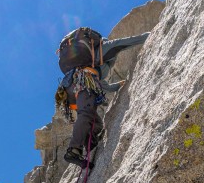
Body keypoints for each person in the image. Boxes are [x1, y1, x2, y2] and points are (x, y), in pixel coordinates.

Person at [62, 32, 150, 167]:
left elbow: (105, 86)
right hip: (82, 83)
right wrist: (149, 35)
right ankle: (73, 151)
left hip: (74, 89)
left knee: (95, 122)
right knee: (86, 113)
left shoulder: (94, 66)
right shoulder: (103, 48)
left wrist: (119, 85)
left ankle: (90, 143)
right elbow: (124, 43)